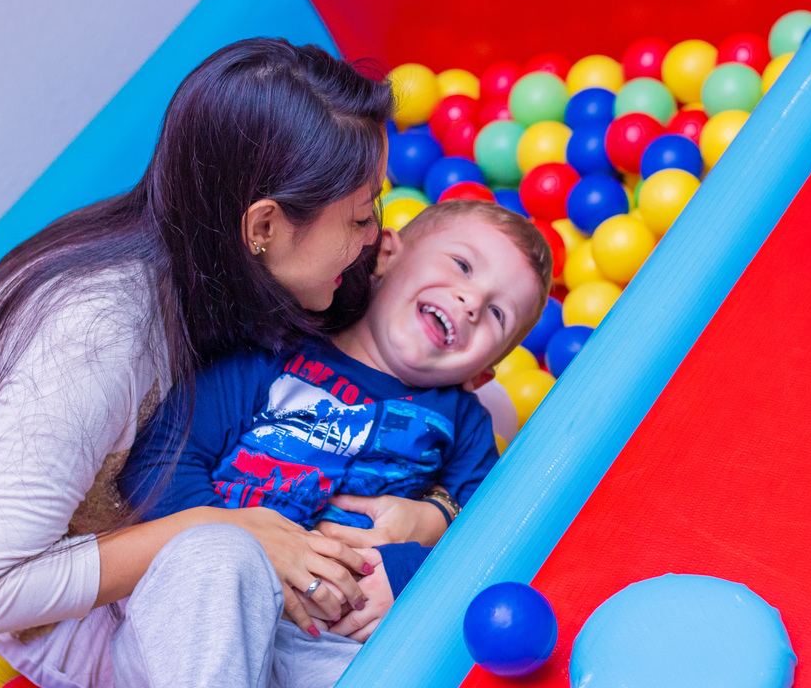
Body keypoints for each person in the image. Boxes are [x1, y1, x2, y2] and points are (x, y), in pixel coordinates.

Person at [0, 38, 452, 688]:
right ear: (262, 227)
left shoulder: (210, 257)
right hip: (83, 616)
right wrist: (217, 525)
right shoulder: (100, 338)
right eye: (362, 218)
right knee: (224, 560)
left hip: (207, 530)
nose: (375, 236)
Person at [122, 199, 553, 642]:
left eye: (498, 314)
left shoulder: (463, 424)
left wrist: (407, 578)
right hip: (211, 598)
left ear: (481, 375)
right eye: (462, 265)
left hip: (336, 635)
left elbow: (486, 541)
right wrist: (238, 547)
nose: (472, 302)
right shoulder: (276, 349)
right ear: (387, 254)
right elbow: (159, 459)